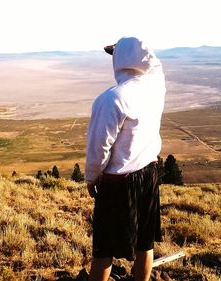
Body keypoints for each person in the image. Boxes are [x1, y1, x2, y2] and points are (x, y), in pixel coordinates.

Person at [84, 37, 166, 281]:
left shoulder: (112, 99)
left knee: (103, 251)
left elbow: (99, 148)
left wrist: (91, 178)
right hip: (149, 173)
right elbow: (156, 68)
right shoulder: (156, 88)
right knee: (145, 243)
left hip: (118, 181)